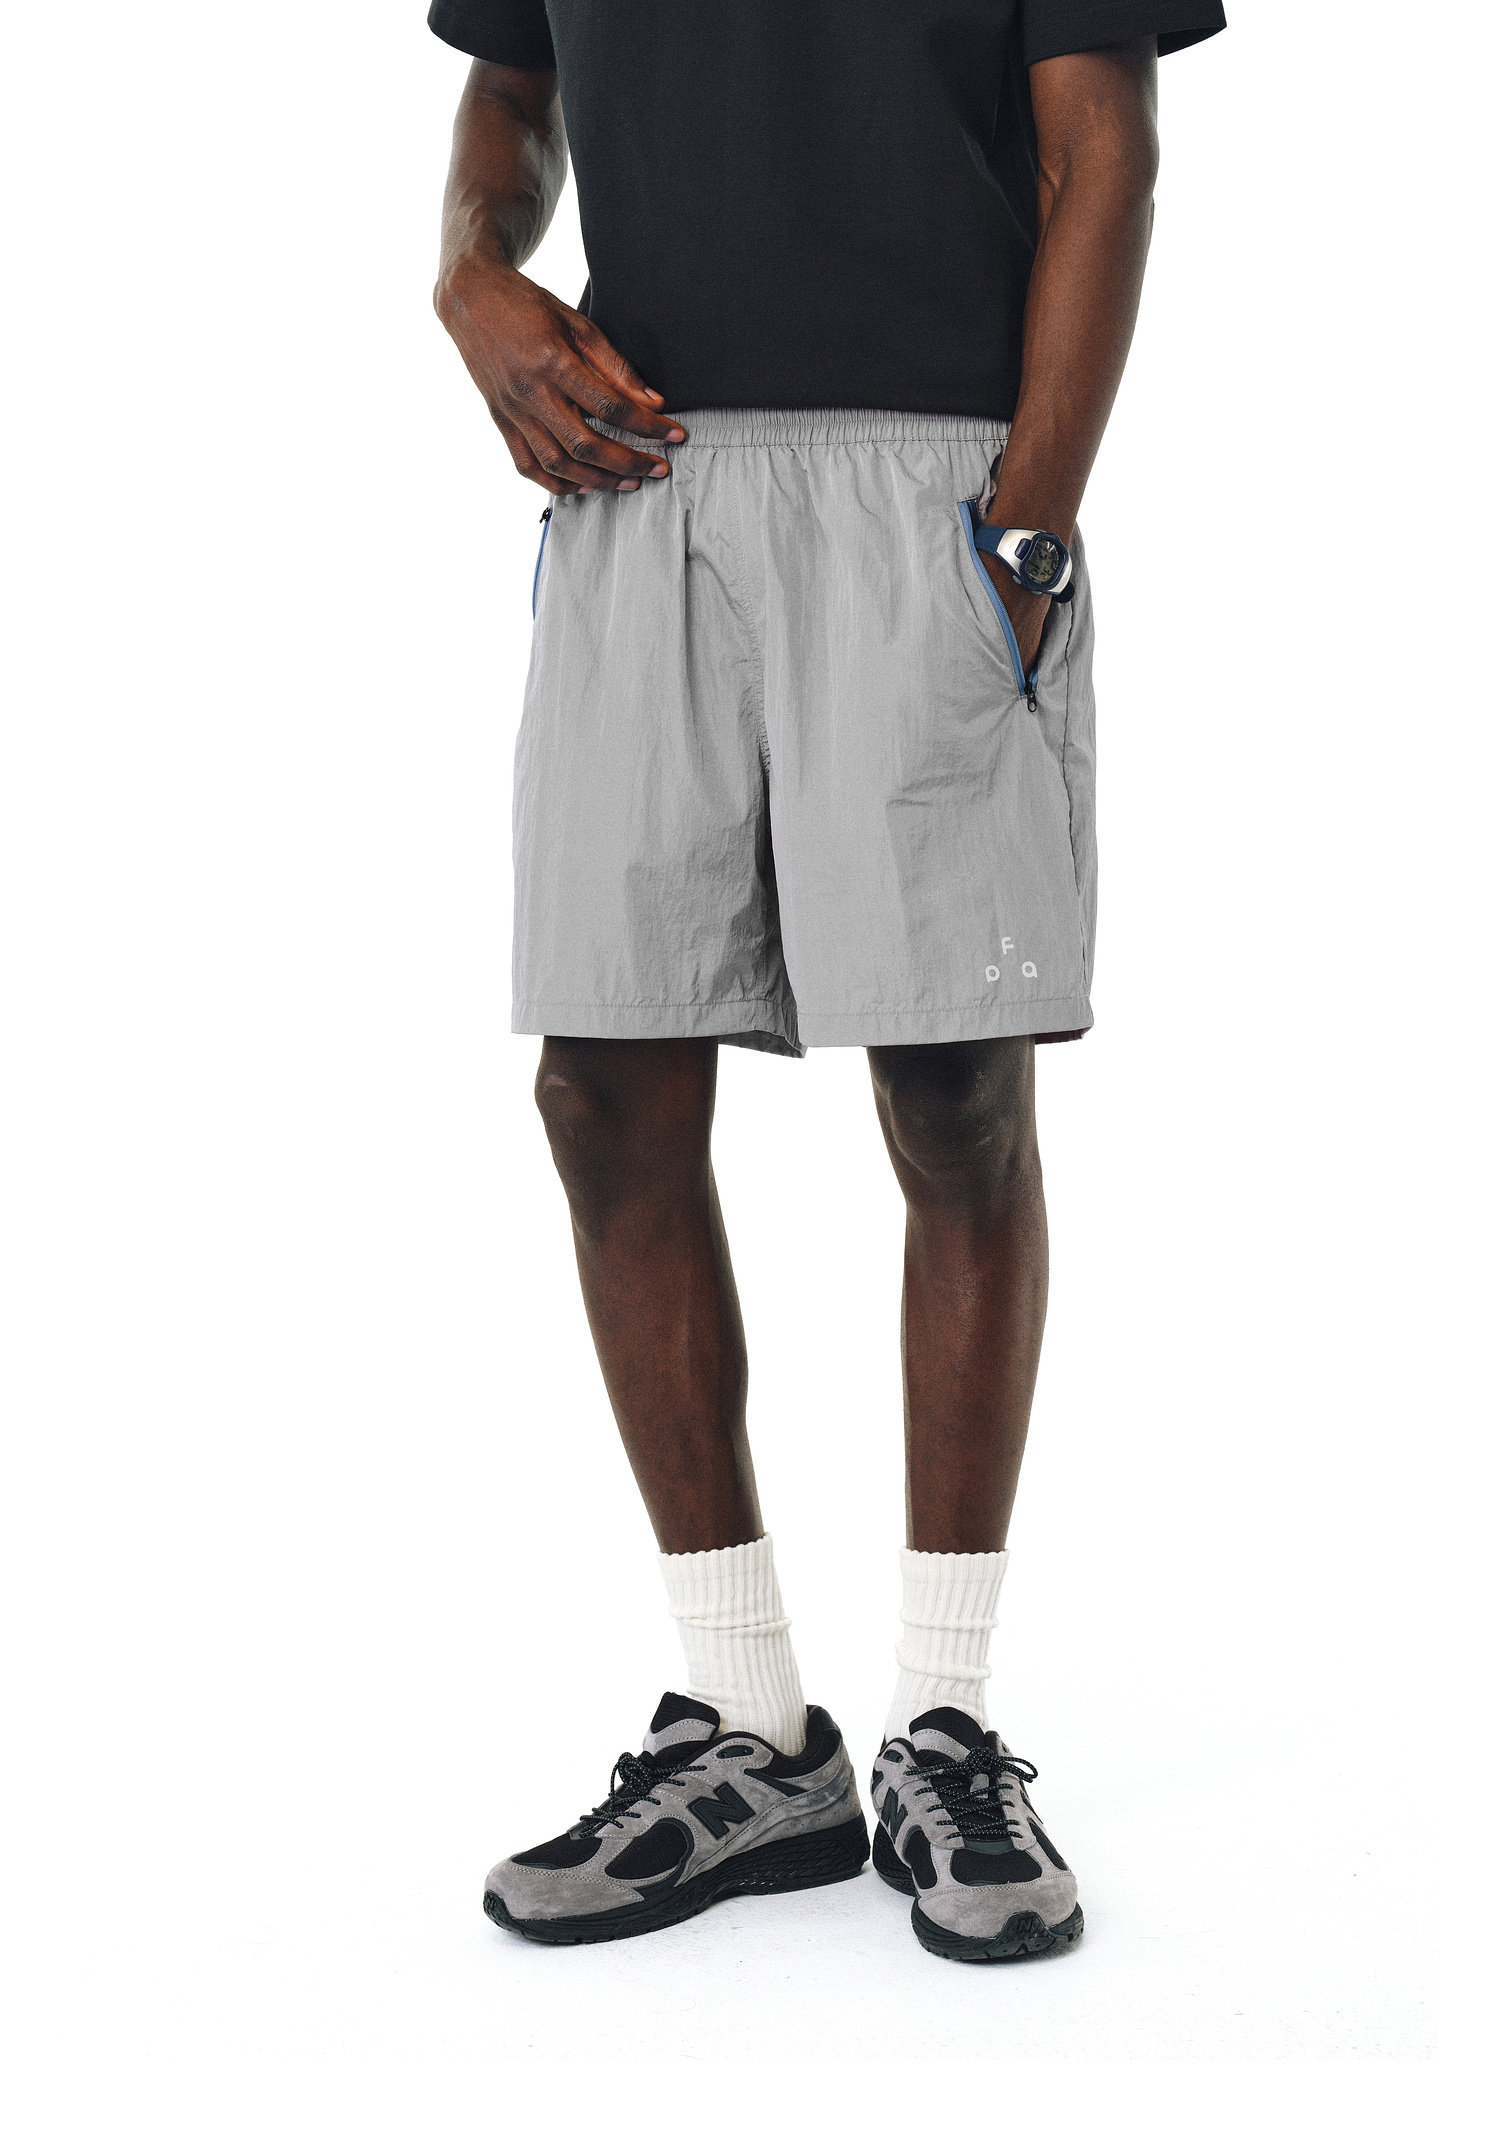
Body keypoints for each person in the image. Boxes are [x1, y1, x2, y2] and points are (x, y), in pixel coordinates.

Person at [428, 0, 1224, 1962]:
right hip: (642, 480)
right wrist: (471, 275)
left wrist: (1030, 520)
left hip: (934, 483)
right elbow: (514, 81)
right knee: (600, 1089)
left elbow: (1102, 147)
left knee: (956, 1096)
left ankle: (943, 1723)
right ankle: (750, 1727)